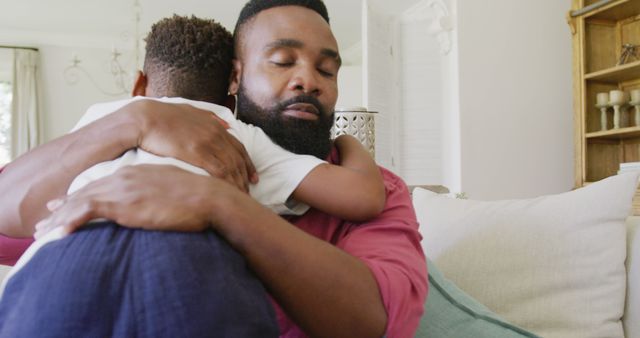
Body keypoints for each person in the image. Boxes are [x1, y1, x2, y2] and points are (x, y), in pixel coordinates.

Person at [0, 1, 428, 337]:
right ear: (234, 79)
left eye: (328, 69)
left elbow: (379, 322)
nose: (308, 80)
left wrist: (219, 204)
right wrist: (135, 122)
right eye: (282, 61)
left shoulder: (380, 190)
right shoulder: (111, 137)